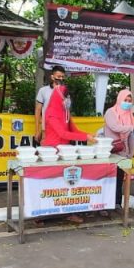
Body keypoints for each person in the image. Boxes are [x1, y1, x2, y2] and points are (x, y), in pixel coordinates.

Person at [42, 84, 97, 224]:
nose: (68, 100)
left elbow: (74, 130)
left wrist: (88, 135)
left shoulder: (65, 111)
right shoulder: (51, 113)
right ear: (59, 97)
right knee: (51, 186)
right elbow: (62, 133)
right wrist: (85, 138)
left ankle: (68, 213)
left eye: (69, 98)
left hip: (66, 152)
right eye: (66, 97)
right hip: (52, 153)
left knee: (66, 184)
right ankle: (42, 215)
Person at [103, 89, 134, 210]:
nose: (127, 103)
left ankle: (116, 204)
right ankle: (104, 207)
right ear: (119, 99)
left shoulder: (129, 115)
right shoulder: (111, 112)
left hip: (122, 152)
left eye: (130, 101)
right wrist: (132, 127)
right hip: (110, 150)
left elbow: (131, 135)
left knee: (119, 179)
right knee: (108, 179)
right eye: (125, 100)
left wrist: (131, 153)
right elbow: (115, 127)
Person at [35, 66, 66, 143]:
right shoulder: (43, 90)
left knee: (60, 153)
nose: (61, 79)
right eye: (58, 76)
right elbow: (38, 110)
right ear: (52, 77)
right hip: (46, 130)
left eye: (62, 77)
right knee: (45, 153)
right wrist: (37, 130)